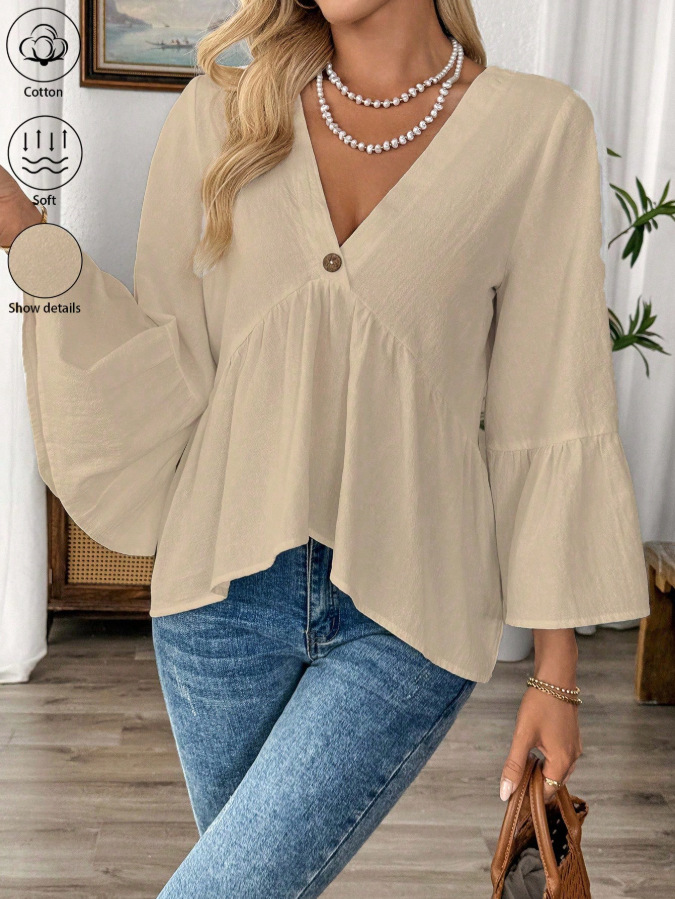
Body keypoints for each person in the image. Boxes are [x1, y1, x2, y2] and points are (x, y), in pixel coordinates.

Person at [0, 0, 650, 896]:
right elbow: (163, 364)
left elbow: (548, 403)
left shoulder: (536, 131)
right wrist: (27, 238)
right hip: (218, 598)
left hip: (412, 605)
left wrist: (556, 672)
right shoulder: (220, 114)